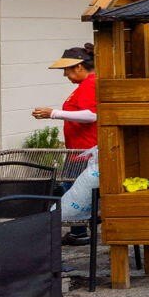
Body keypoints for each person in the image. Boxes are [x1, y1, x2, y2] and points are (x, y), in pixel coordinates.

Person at [34, 44, 99, 228]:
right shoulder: (84, 85)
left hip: (83, 151)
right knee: (75, 192)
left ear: (78, 66)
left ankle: (78, 230)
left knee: (76, 193)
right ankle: (78, 231)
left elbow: (92, 115)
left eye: (66, 70)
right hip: (78, 150)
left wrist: (54, 113)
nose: (65, 75)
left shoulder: (90, 84)